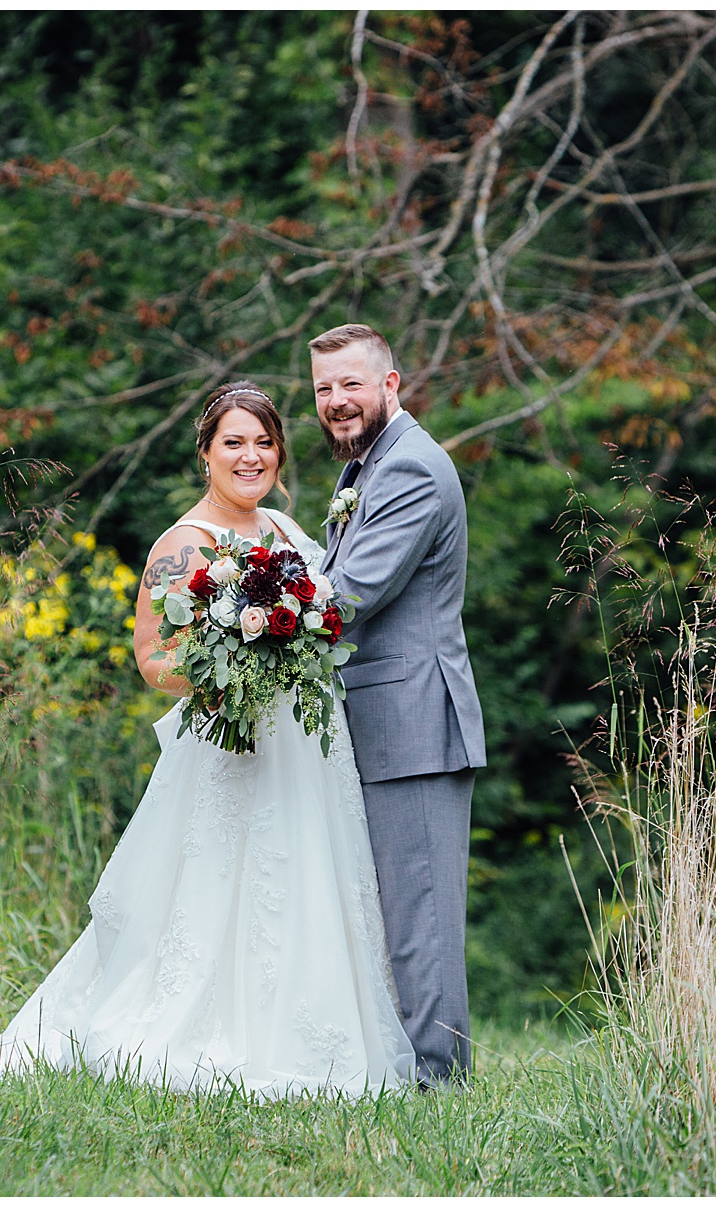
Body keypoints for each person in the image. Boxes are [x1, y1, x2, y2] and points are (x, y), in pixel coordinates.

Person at [0, 381, 416, 1097]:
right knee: (218, 890)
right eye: (234, 441)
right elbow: (152, 658)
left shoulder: (294, 535)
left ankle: (317, 1031)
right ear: (205, 452)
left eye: (264, 442)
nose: (251, 455)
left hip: (307, 749)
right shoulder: (183, 544)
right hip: (232, 747)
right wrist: (230, 674)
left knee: (307, 875)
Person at [311, 322, 485, 1088]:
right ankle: (406, 1061)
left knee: (422, 913)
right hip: (384, 716)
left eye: (351, 384)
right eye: (322, 389)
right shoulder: (367, 468)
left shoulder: (411, 467)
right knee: (398, 909)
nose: (336, 401)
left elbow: (351, 594)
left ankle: (439, 1076)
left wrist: (250, 617)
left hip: (414, 718)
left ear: (391, 384)